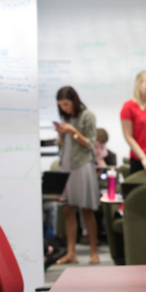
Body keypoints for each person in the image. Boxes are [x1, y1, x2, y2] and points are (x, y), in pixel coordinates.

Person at [54, 86, 102, 265]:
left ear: (74, 101)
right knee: (68, 209)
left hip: (81, 165)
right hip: (65, 164)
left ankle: (93, 252)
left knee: (86, 209)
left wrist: (73, 131)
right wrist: (61, 134)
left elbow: (90, 144)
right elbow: (62, 145)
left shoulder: (87, 115)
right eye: (61, 105)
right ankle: (71, 252)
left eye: (66, 104)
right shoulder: (65, 117)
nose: (64, 108)